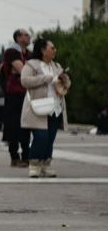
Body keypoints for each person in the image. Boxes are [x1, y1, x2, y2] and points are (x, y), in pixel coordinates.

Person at [21, 39, 70, 178]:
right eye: (52, 48)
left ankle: (45, 165)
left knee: (50, 138)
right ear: (43, 50)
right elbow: (24, 81)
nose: (55, 50)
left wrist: (65, 79)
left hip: (55, 108)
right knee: (40, 137)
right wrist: (46, 78)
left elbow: (66, 84)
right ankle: (34, 164)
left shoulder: (56, 66)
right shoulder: (31, 65)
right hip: (39, 107)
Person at [2, 30, 32, 167]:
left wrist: (28, 70)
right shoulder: (11, 52)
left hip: (27, 93)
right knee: (14, 125)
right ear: (18, 38)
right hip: (14, 93)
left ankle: (26, 155)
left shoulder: (29, 54)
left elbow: (35, 69)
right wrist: (27, 70)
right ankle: (14, 156)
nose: (28, 37)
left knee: (26, 125)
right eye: (26, 35)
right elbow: (24, 70)